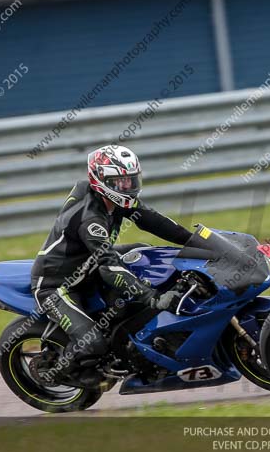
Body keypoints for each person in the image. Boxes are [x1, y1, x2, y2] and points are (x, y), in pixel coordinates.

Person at [30, 145, 192, 382]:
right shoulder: (91, 220)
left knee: (143, 251)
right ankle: (58, 371)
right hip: (57, 286)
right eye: (120, 182)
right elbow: (108, 267)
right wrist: (152, 297)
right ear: (102, 181)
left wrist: (193, 240)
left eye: (130, 180)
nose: (127, 187)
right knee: (93, 343)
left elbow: (154, 221)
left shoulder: (108, 197)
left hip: (88, 267)